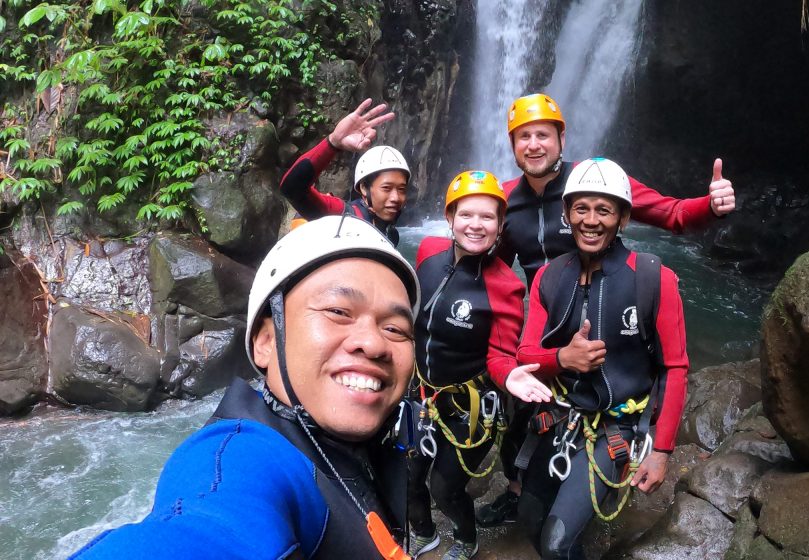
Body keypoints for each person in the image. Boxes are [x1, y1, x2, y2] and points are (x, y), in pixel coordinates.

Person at [70, 216, 422, 560]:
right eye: (338, 311)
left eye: (395, 329)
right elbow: (209, 528)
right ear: (266, 341)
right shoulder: (237, 459)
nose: (374, 344)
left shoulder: (382, 434)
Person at [478, 93, 734, 527]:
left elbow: (669, 214)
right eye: (524, 137)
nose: (534, 144)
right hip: (547, 310)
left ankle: (599, 470)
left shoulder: (595, 184)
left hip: (609, 307)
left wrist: (709, 206)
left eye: (543, 134)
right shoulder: (506, 201)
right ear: (512, 145)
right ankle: (521, 488)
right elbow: (489, 257)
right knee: (518, 408)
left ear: (561, 139)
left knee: (608, 387)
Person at [514, 158, 690, 559]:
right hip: (561, 418)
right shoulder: (549, 276)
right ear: (566, 213)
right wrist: (563, 358)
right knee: (528, 518)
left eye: (604, 210)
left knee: (557, 544)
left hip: (617, 428)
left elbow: (675, 368)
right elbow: (526, 354)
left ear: (624, 218)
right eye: (581, 208)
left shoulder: (653, 279)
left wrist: (661, 452)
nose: (590, 221)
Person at [406, 171, 550, 560]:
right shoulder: (428, 253)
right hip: (420, 395)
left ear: (501, 226)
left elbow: (500, 354)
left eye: (487, 217)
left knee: (444, 487)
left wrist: (510, 375)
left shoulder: (506, 285)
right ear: (449, 218)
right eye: (466, 214)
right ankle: (422, 532)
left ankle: (466, 539)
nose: (476, 225)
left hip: (468, 409)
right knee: (408, 475)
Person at [280, 98, 409, 245]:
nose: (395, 197)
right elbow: (292, 188)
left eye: (402, 189)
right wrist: (333, 142)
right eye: (386, 188)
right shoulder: (342, 216)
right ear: (364, 188)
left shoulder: (391, 234)